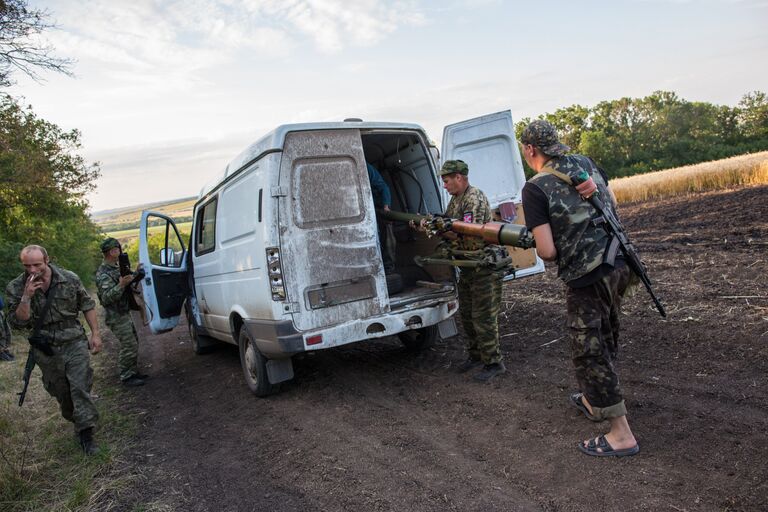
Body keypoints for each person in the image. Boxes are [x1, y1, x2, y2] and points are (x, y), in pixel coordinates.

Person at [519, 119, 639, 457]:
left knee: (589, 349)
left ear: (530, 149)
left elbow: (547, 252)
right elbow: (611, 205)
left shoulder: (535, 187)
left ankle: (621, 434)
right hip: (619, 263)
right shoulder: (587, 163)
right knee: (608, 332)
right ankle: (593, 399)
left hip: (587, 275)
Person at [5, 245, 102, 455]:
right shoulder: (16, 287)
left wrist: (95, 333)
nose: (32, 270)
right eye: (27, 265)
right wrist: (26, 297)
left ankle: (86, 434)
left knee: (79, 386)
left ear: (47, 260)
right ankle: (76, 418)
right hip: (45, 347)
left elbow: (87, 305)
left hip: (73, 340)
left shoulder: (68, 278)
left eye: (37, 264)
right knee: (62, 392)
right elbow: (18, 323)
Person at [438, 160, 507, 382]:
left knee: (483, 317)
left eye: (447, 181)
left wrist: (443, 230)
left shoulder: (473, 198)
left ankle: (494, 363)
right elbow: (449, 225)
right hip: (468, 266)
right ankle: (476, 356)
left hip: (484, 266)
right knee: (467, 314)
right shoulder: (456, 200)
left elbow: (469, 235)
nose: (445, 186)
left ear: (459, 177)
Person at [95, 238, 146, 387]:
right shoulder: (103, 273)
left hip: (123, 312)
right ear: (112, 251)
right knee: (129, 345)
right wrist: (121, 285)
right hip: (116, 315)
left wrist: (136, 273)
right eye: (117, 248)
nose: (120, 250)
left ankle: (133, 371)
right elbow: (105, 298)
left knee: (134, 342)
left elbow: (129, 279)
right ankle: (126, 376)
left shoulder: (116, 267)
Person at [367, 162, 395, 272]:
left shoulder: (367, 167)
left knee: (388, 235)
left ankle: (389, 268)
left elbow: (383, 187)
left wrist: (386, 206)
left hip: (377, 208)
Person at [0, 295, 15, 361]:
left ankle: (4, 349)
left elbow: (1, 305)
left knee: (6, 330)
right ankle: (1, 350)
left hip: (0, 312)